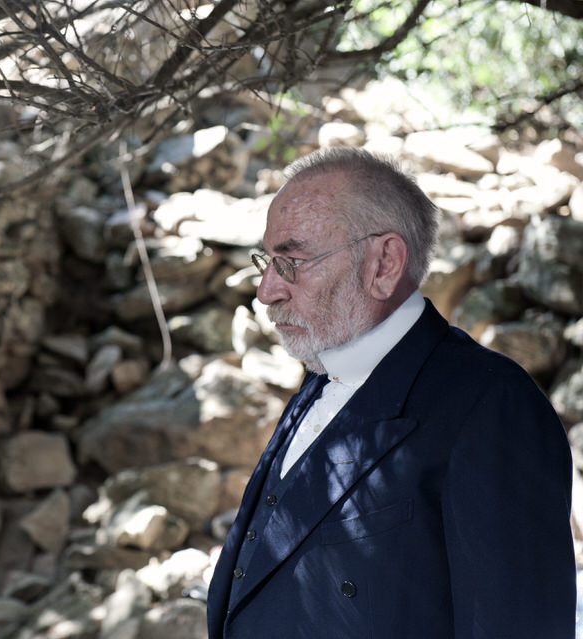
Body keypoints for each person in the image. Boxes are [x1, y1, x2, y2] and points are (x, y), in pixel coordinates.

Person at [206, 147, 576, 638]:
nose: (266, 290)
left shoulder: (492, 407)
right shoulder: (323, 369)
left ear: (384, 263)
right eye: (267, 262)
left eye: (292, 260)